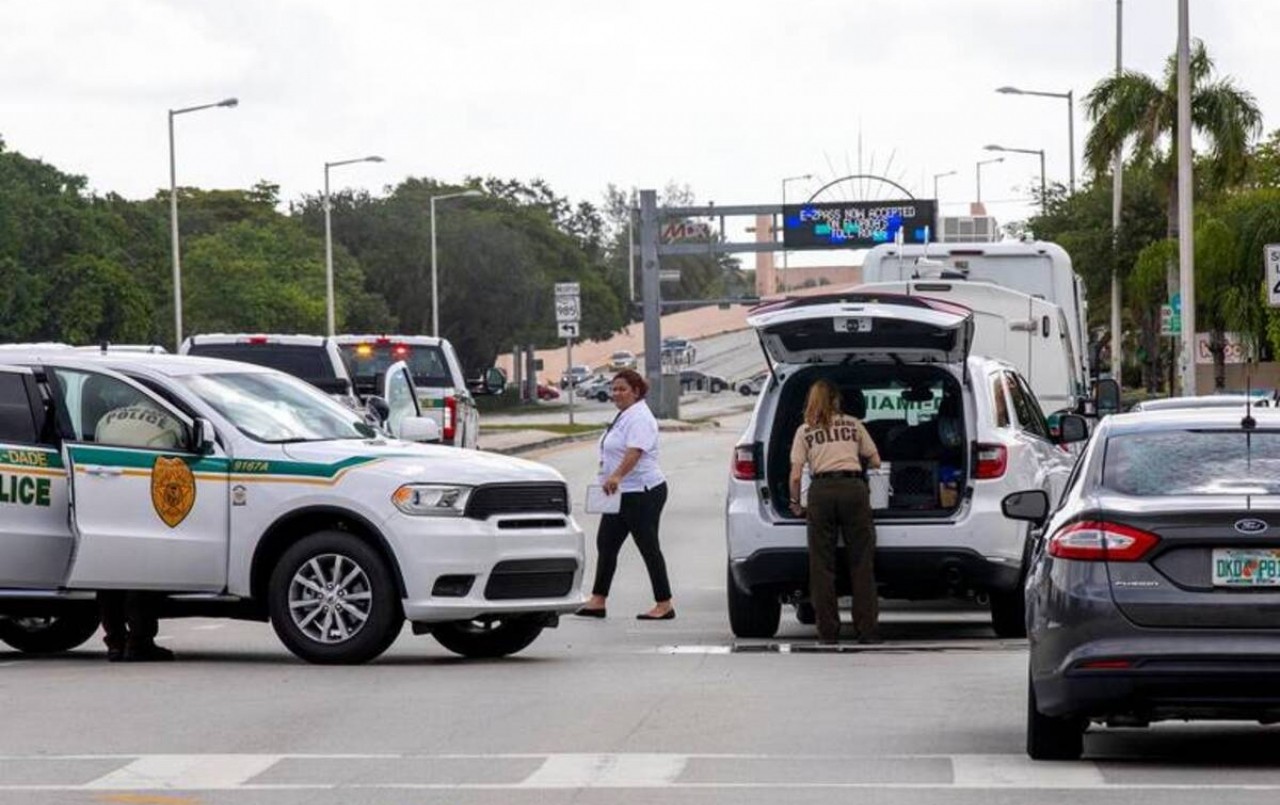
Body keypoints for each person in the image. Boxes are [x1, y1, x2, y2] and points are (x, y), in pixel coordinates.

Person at [788, 378, 882, 644]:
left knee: (821, 565)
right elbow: (875, 460)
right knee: (861, 563)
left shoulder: (804, 431)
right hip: (854, 490)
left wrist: (796, 503)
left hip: (821, 493)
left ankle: (828, 633)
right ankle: (867, 631)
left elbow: (795, 476)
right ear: (837, 400)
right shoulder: (854, 424)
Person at [576, 369, 675, 621]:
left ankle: (664, 604)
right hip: (619, 493)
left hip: (642, 491)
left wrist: (617, 475)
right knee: (606, 544)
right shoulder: (625, 415)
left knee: (648, 546)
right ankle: (598, 600)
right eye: (614, 389)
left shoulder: (640, 417)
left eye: (622, 389)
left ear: (636, 391)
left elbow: (635, 452)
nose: (616, 394)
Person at [93, 396, 183, 662]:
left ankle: (115, 642)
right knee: (142, 575)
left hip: (104, 500)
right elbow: (175, 465)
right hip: (142, 501)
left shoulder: (106, 419)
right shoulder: (172, 424)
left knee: (108, 575)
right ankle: (140, 642)